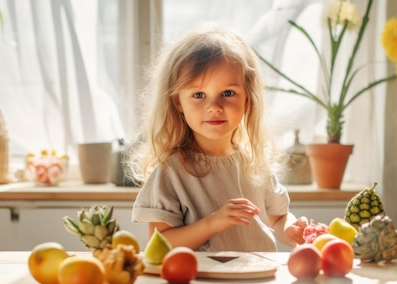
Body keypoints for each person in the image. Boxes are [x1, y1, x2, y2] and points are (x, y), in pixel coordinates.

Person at [126, 22, 307, 252]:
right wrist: (212, 223)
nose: (214, 106)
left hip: (258, 280)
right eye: (199, 94)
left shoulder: (255, 163)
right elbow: (158, 244)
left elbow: (279, 218)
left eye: (228, 93)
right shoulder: (170, 170)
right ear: (178, 102)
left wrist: (291, 230)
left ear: (247, 100)